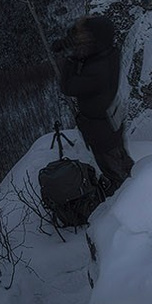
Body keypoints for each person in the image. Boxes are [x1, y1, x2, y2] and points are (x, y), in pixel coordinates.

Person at [54, 13, 133, 191]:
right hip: (109, 122)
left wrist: (70, 58)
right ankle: (131, 181)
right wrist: (70, 44)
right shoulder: (108, 52)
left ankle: (126, 199)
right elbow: (91, 50)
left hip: (101, 130)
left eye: (84, 39)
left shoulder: (98, 71)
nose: (81, 43)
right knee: (120, 158)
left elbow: (68, 87)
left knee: (114, 169)